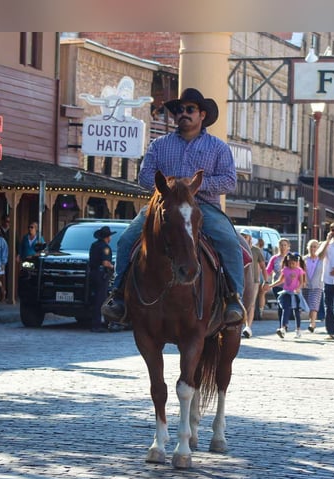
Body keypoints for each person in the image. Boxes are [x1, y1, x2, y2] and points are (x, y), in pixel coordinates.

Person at [101, 88, 243, 325]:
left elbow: (229, 180)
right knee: (126, 239)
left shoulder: (218, 147)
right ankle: (118, 296)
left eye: (190, 109)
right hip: (163, 206)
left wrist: (196, 185)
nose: (183, 114)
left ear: (202, 115)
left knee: (230, 241)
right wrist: (171, 186)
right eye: (179, 110)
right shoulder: (159, 145)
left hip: (202, 207)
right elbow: (145, 177)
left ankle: (233, 298)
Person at [269, 252, 306, 339]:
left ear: (297, 262)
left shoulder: (299, 270)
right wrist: (271, 285)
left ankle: (298, 329)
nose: (291, 265)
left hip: (295, 293)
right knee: (285, 309)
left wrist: (298, 288)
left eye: (293, 263)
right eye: (289, 263)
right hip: (286, 292)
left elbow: (301, 282)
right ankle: (283, 328)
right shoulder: (285, 270)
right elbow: (280, 280)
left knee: (296, 311)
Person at [88, 225, 116, 333]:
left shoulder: (94, 245)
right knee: (101, 300)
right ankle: (97, 325)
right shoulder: (105, 248)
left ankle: (95, 323)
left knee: (95, 299)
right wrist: (113, 268)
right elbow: (105, 263)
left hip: (93, 273)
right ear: (107, 237)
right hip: (101, 275)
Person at [240, 229, 267, 339]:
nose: (243, 238)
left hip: (254, 280)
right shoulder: (238, 248)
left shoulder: (256, 250)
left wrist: (266, 280)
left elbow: (263, 266)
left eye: (245, 236)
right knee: (240, 302)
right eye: (242, 236)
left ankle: (248, 327)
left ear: (250, 238)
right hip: (240, 279)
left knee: (250, 303)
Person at [266, 238, 292, 331]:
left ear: (288, 247)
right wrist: (265, 281)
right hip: (277, 285)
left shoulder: (291, 257)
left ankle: (284, 324)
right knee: (282, 305)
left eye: (285, 245)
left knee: (286, 305)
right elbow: (268, 270)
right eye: (281, 245)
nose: (283, 247)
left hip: (289, 286)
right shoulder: (274, 258)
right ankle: (282, 325)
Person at [302, 239, 324, 333]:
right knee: (307, 305)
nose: (313, 248)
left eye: (315, 246)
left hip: (317, 285)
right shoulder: (303, 259)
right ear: (307, 248)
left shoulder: (321, 260)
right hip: (305, 285)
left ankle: (312, 323)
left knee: (313, 304)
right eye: (311, 246)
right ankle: (311, 321)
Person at [0, 215, 13, 302]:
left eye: (9, 222)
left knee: (9, 275)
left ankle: (8, 294)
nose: (7, 223)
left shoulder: (12, 230)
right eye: (6, 221)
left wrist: (17, 254)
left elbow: (17, 242)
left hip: (9, 256)